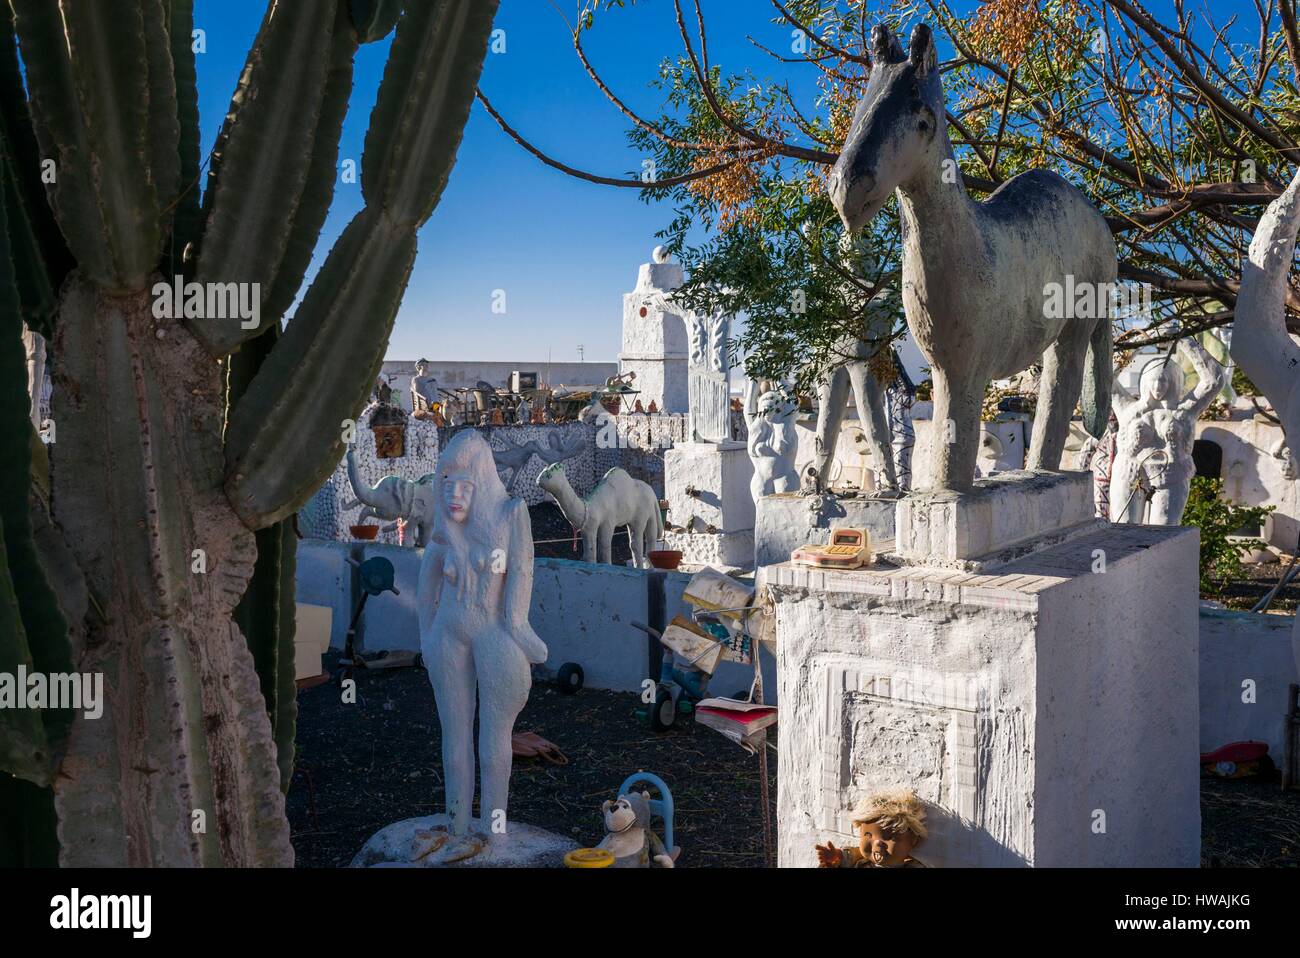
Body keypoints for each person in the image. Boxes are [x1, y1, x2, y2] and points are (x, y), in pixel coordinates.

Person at [417, 431, 548, 851]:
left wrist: (519, 630)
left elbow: (521, 576)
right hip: (448, 634)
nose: (454, 495)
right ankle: (457, 826)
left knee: (494, 744)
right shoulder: (443, 533)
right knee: (452, 738)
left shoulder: (510, 515)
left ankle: (494, 831)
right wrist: (426, 636)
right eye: (446, 482)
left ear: (482, 483)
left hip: (494, 635)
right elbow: (426, 584)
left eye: (464, 485)